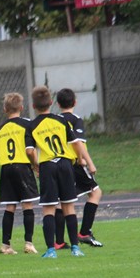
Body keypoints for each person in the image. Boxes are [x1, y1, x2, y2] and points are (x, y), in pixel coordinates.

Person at [24, 86, 88, 259]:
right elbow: (76, 143)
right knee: (68, 206)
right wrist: (79, 159)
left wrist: (35, 165)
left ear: (33, 106)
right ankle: (75, 248)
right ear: (51, 103)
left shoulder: (32, 125)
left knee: (49, 209)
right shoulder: (61, 121)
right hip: (65, 164)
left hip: (48, 166)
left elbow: (29, 151)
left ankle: (51, 250)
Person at [52, 88, 104, 249]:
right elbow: (78, 142)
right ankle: (84, 232)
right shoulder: (75, 119)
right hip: (75, 163)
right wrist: (87, 161)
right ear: (75, 102)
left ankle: (59, 242)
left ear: (58, 104)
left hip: (58, 163)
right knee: (95, 193)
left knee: (62, 202)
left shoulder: (54, 120)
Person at [0, 93, 39, 255]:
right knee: (27, 204)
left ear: (5, 109)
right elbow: (30, 150)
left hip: (6, 168)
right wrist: (36, 165)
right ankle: (28, 243)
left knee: (10, 206)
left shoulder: (0, 129)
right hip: (22, 167)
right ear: (21, 107)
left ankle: (5, 245)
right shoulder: (27, 124)